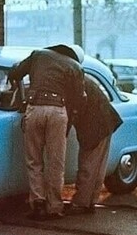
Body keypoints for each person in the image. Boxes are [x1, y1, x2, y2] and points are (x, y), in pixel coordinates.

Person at [8, 43, 86, 220]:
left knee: (34, 160)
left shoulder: (38, 55)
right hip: (58, 112)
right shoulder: (75, 67)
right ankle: (54, 207)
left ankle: (38, 203)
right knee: (56, 163)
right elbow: (79, 100)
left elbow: (16, 73)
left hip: (34, 108)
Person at [67, 75, 123, 214]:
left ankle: (81, 203)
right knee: (97, 166)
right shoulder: (79, 77)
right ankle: (90, 201)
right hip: (105, 121)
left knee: (88, 165)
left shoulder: (71, 82)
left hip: (95, 126)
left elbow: (73, 109)